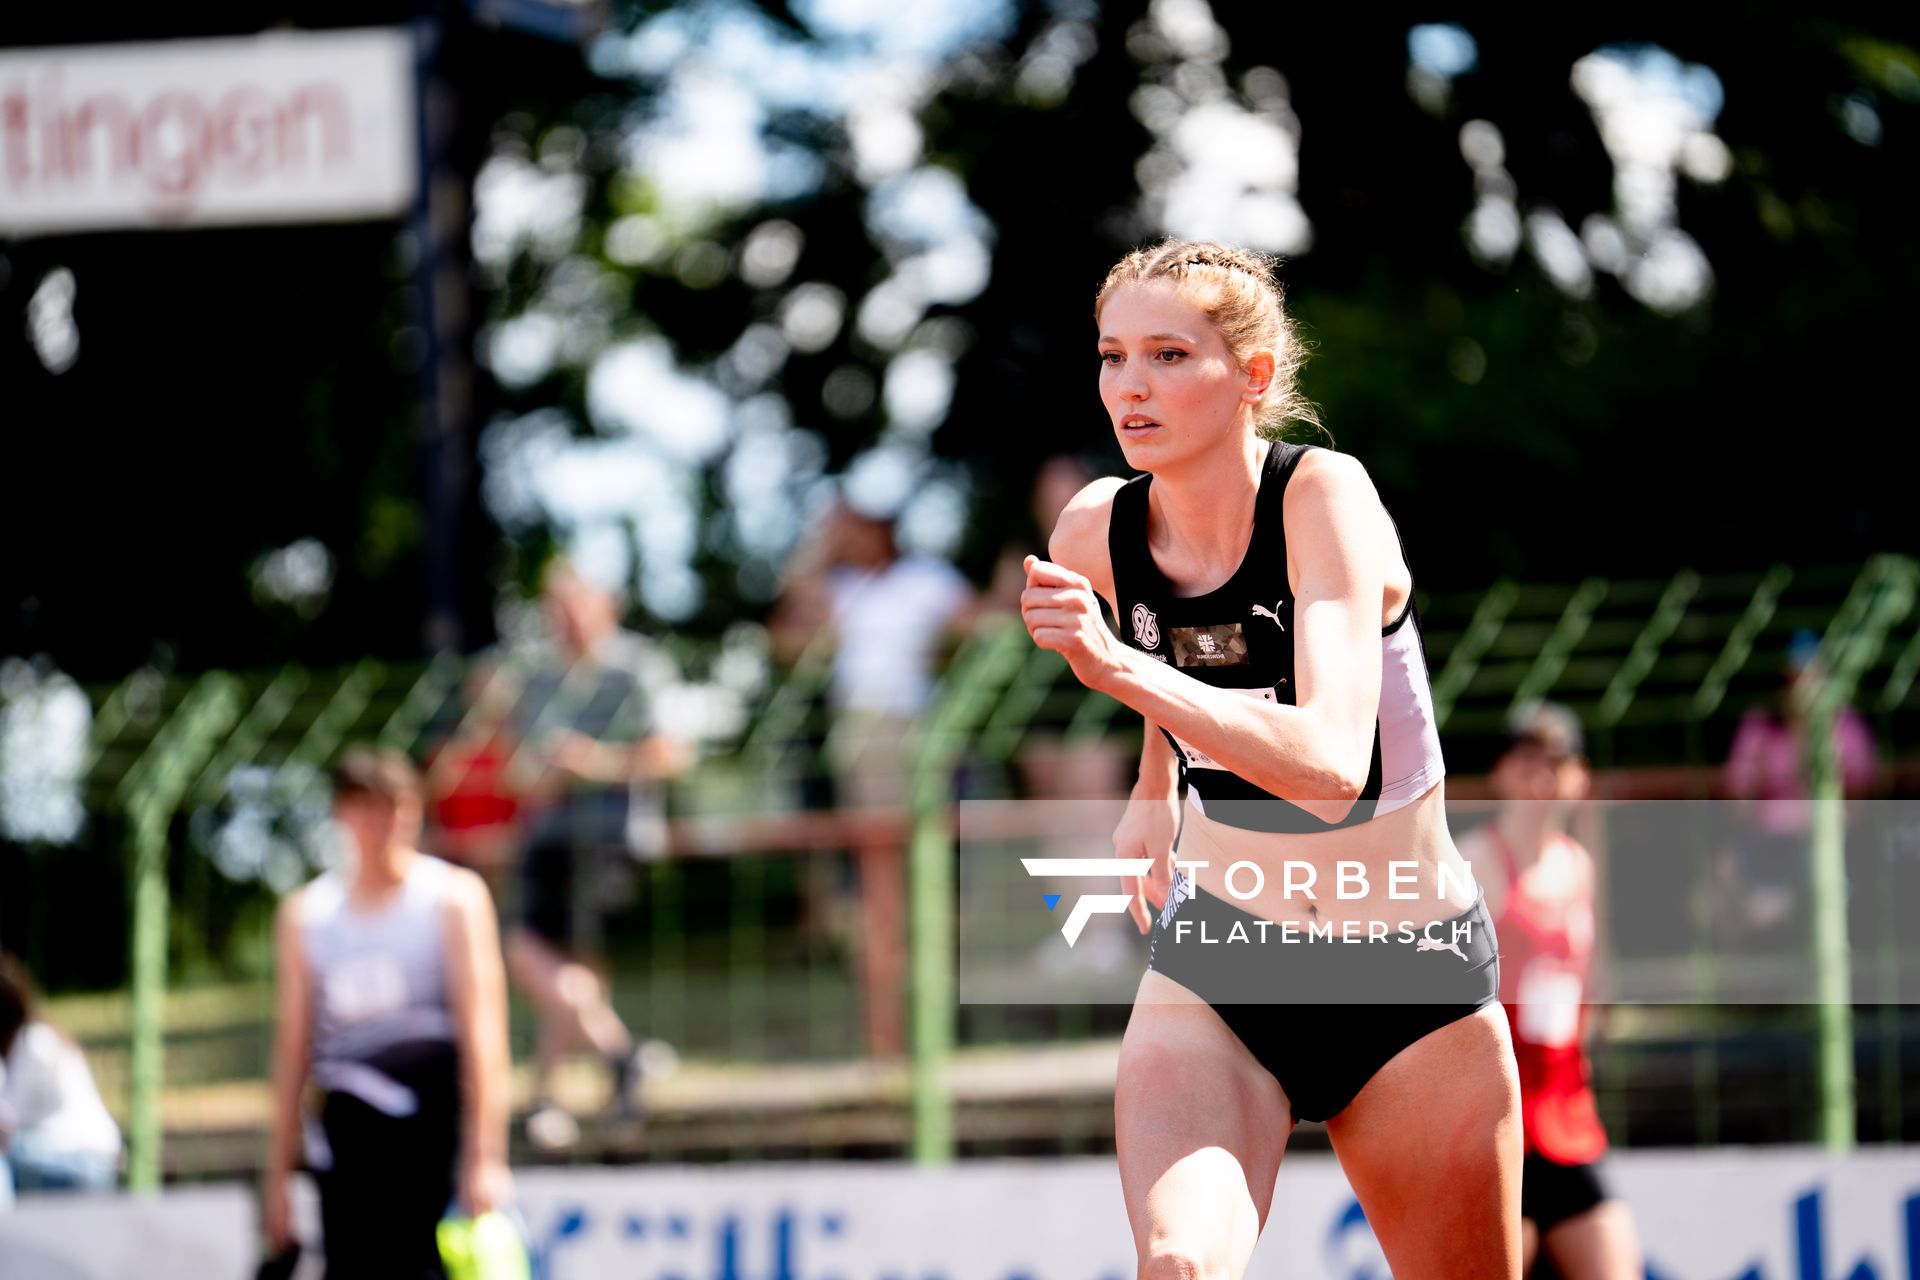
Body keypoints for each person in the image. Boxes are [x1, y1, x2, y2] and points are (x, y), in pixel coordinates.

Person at [1019, 240, 1520, 1278]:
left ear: (1251, 377)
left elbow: (1332, 764)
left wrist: (1119, 672)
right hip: (1224, 964)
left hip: (1406, 978)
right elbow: (1186, 656)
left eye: (1167, 354)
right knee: (1179, 1265)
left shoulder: (1322, 495)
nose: (1130, 385)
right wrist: (1155, 782)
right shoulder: (1093, 532)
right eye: (1113, 356)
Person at [263, 747, 511, 1278]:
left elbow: (484, 1035)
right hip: (348, 1144)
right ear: (341, 815)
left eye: (398, 807)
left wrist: (485, 1154)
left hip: (431, 1139)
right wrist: (277, 1177)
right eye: (368, 809)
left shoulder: (452, 899)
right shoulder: (308, 915)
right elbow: (292, 1050)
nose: (385, 825)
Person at [504, 562, 690, 1149]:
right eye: (554, 609)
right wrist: (544, 774)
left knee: (552, 958)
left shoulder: (638, 667)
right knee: (564, 965)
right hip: (546, 835)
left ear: (604, 606)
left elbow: (672, 752)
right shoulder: (536, 676)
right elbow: (517, 768)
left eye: (575, 606)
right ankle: (616, 1060)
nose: (565, 621)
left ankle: (551, 1093)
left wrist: (595, 764)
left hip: (606, 837)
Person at [1458, 703, 1642, 1280]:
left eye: (1557, 763)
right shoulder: (1476, 862)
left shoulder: (1578, 864)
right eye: (1528, 761)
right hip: (1496, 1118)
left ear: (1578, 775)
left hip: (1565, 1114)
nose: (1543, 779)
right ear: (1502, 772)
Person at [1719, 628, 1878, 946]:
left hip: (1831, 846)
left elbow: (1863, 792)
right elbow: (1737, 795)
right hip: (1770, 849)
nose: (1802, 688)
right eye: (1793, 678)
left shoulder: (1846, 725)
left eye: (1810, 677)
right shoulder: (1761, 725)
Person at [0, 951, 121, 1200]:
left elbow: (7, 1122)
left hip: (77, 1160)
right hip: (82, 1158)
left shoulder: (33, 1043)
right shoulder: (40, 1038)